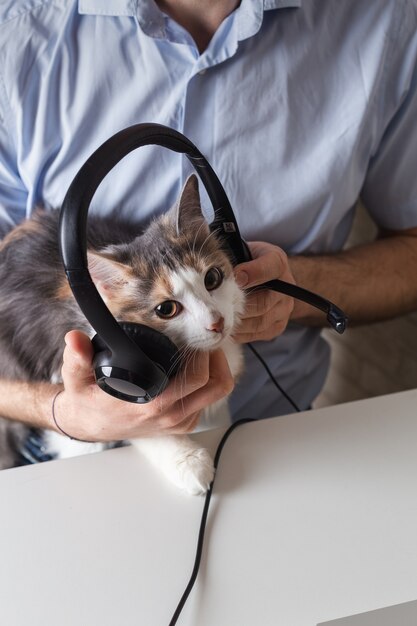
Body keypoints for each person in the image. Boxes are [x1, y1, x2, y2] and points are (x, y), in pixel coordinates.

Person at [0, 0, 417, 451]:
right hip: (66, 451)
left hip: (281, 437)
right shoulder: (18, 26)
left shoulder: (389, 20)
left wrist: (295, 291)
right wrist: (60, 410)